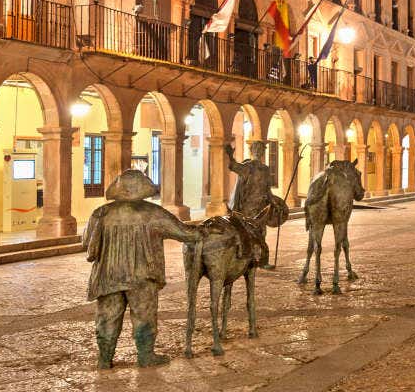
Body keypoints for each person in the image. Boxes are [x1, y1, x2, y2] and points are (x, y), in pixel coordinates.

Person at [84, 170, 201, 369]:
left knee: (107, 317)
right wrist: (210, 229)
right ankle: (146, 356)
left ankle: (104, 359)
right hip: (142, 276)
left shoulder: (101, 213)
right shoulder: (152, 213)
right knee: (144, 316)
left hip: (107, 276)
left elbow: (87, 243)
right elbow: (186, 234)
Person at [225, 141, 287, 269]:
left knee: (259, 233)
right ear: (253, 152)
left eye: (260, 150)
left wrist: (274, 202)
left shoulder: (263, 169)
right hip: (248, 208)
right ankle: (246, 260)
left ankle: (261, 261)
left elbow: (267, 189)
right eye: (257, 149)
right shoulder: (249, 167)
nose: (259, 152)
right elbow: (233, 166)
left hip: (260, 207)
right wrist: (230, 156)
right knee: (249, 233)